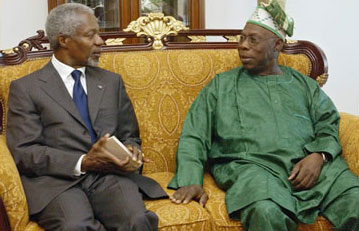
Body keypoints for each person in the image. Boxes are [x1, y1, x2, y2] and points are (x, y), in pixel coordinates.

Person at [168, 0, 359, 230]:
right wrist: (191, 181)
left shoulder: (304, 85)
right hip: (254, 169)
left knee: (355, 201)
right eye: (242, 38)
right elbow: (194, 135)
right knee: (265, 211)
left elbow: (328, 122)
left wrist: (319, 156)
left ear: (277, 45)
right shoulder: (221, 86)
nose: (243, 46)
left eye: (253, 40)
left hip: (311, 168)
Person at [6, 3, 167, 231]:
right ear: (64, 40)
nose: (100, 41)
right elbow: (24, 151)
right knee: (76, 226)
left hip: (109, 177)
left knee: (136, 221)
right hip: (57, 182)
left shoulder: (111, 82)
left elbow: (130, 135)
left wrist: (131, 152)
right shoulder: (27, 89)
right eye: (91, 35)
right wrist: (82, 162)